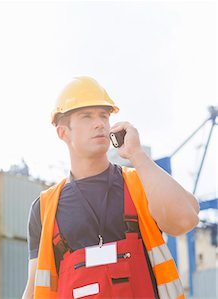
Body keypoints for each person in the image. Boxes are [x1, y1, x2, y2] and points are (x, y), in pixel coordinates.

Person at [21, 76, 199, 299]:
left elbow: (185, 220)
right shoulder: (45, 208)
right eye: (87, 116)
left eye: (104, 115)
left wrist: (137, 155)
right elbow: (34, 286)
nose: (99, 123)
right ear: (63, 132)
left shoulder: (140, 183)